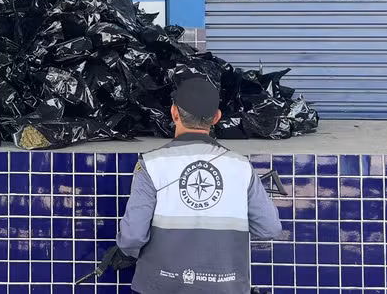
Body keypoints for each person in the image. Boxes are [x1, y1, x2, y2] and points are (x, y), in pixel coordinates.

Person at [115, 77, 283, 293]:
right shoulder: (241, 167)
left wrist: (126, 251)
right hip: (226, 287)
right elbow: (269, 228)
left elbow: (132, 237)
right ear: (217, 117)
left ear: (174, 113)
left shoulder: (151, 164)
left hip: (161, 286)